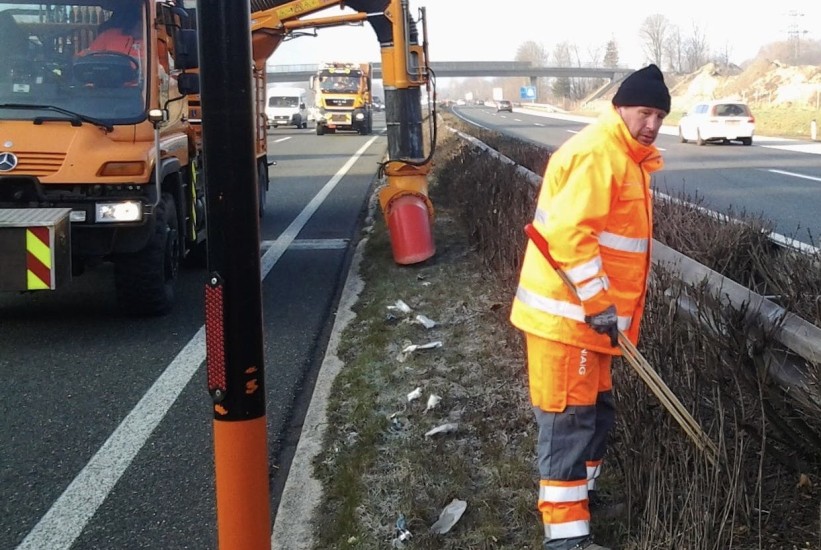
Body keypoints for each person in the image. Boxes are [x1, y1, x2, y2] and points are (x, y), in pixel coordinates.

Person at [509, 64, 671, 550]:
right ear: (621, 107)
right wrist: (600, 305)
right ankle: (566, 538)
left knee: (595, 415)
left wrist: (606, 316)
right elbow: (569, 237)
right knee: (568, 425)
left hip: (591, 326)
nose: (653, 124)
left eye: (660, 116)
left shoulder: (626, 158)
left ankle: (583, 502)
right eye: (645, 112)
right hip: (568, 320)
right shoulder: (600, 154)